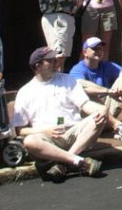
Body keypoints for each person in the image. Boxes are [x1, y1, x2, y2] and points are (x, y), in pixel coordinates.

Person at [12, 45, 104, 181]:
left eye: (56, 59)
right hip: (48, 139)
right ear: (38, 65)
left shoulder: (67, 79)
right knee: (30, 141)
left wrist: (99, 111)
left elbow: (85, 104)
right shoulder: (25, 92)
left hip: (74, 133)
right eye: (51, 60)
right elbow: (20, 131)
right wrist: (47, 130)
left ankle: (65, 162)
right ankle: (77, 161)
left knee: (98, 117)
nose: (56, 62)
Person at [69, 37, 122, 142]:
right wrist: (108, 91)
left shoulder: (106, 65)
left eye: (100, 49)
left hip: (107, 111)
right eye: (95, 49)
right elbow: (80, 87)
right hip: (91, 118)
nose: (99, 51)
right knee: (85, 91)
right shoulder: (77, 69)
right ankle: (119, 127)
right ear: (85, 52)